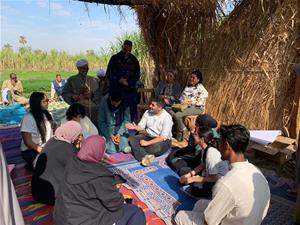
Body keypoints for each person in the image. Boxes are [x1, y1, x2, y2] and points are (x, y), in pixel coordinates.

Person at [175, 124, 270, 225]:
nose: (218, 146)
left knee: (180, 216)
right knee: (200, 204)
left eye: (220, 143)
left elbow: (209, 222)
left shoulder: (225, 183)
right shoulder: (256, 170)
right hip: (250, 220)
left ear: (227, 146)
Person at [54, 135, 146, 225]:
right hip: (83, 220)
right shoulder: (99, 176)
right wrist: (125, 202)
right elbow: (115, 204)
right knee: (136, 212)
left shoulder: (71, 162)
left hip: (61, 219)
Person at [31, 121, 82, 205]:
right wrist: (78, 149)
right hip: (51, 195)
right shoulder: (69, 149)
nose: (79, 138)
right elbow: (78, 172)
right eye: (78, 135)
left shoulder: (52, 140)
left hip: (36, 191)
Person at [179, 126, 229, 198]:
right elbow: (202, 165)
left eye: (196, 135)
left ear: (202, 139)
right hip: (208, 174)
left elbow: (214, 178)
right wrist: (189, 175)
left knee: (195, 188)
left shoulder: (211, 154)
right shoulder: (204, 148)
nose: (193, 135)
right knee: (183, 171)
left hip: (217, 182)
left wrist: (194, 178)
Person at [126, 98, 173, 166]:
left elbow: (162, 137)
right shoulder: (147, 112)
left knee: (156, 148)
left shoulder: (167, 117)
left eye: (153, 105)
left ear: (160, 108)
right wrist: (135, 127)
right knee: (133, 139)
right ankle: (145, 157)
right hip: (148, 135)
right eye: (150, 104)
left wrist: (147, 143)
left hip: (162, 140)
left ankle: (134, 149)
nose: (150, 106)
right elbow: (141, 127)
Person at [106, 40, 140, 122]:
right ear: (122, 47)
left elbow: (137, 75)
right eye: (125, 50)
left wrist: (129, 82)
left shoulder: (134, 60)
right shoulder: (114, 58)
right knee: (116, 111)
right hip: (116, 89)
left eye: (129, 50)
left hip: (129, 89)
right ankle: (116, 130)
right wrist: (119, 79)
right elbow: (109, 73)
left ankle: (130, 130)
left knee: (131, 111)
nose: (126, 52)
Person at [169, 70, 208, 141]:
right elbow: (181, 97)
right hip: (185, 106)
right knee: (169, 111)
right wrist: (181, 100)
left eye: (193, 78)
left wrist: (189, 102)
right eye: (191, 77)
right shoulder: (187, 87)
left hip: (197, 108)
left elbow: (200, 102)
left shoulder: (201, 88)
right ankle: (181, 129)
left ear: (198, 80)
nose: (191, 79)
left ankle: (183, 131)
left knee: (177, 115)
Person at [20, 92, 54, 169]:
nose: (47, 103)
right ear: (37, 103)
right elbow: (27, 141)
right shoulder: (28, 118)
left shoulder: (49, 115)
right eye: (44, 101)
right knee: (48, 164)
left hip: (46, 147)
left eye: (47, 100)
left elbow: (54, 130)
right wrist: (42, 150)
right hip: (32, 150)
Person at [62, 59, 101, 124]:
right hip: (78, 110)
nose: (86, 70)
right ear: (78, 68)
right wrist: (73, 97)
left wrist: (92, 95)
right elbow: (64, 93)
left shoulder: (94, 80)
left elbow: (101, 93)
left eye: (87, 68)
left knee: (93, 128)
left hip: (93, 110)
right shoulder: (71, 80)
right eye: (84, 68)